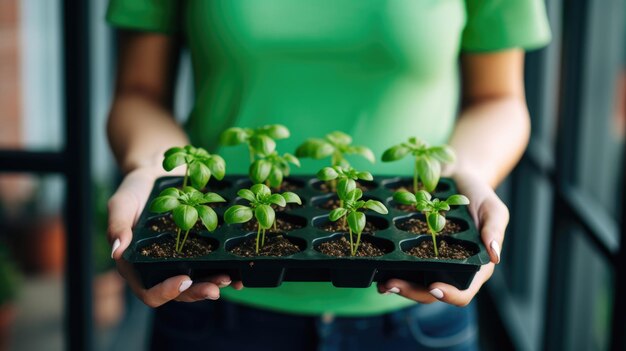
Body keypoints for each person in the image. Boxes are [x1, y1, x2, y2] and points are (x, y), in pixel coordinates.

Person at [106, 1, 550, 349]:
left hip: (417, 315)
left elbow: (498, 98)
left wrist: (466, 170)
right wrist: (153, 167)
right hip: (213, 301)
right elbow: (139, 92)